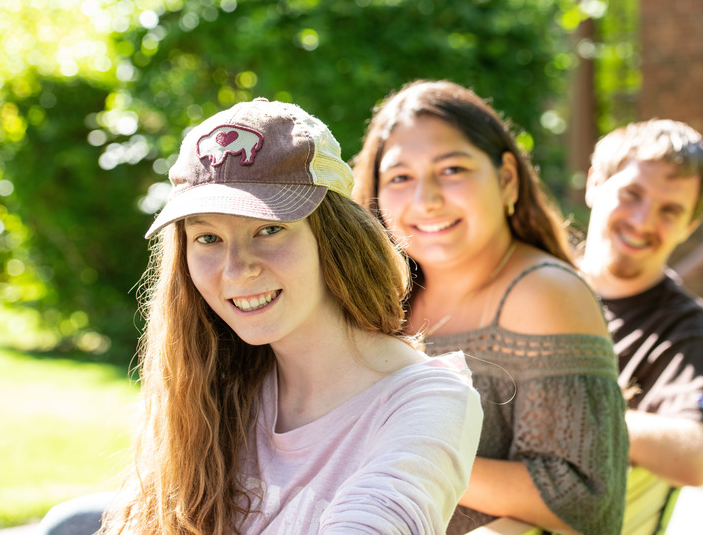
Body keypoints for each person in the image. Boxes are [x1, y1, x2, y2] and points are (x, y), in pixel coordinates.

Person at [40, 98, 483, 535]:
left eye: (269, 229)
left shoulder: (430, 403)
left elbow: (385, 515)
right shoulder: (220, 378)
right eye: (208, 238)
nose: (236, 269)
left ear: (335, 238)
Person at [352, 80, 629, 535]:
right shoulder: (380, 300)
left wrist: (398, 453)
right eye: (400, 178)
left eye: (452, 169)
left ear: (505, 179)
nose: (426, 199)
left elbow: (583, 497)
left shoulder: (542, 293)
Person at [579, 119, 703, 534]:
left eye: (670, 210)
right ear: (595, 184)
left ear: (690, 227)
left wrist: (569, 410)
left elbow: (698, 457)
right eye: (632, 194)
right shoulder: (530, 282)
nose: (643, 221)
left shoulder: (684, 330)